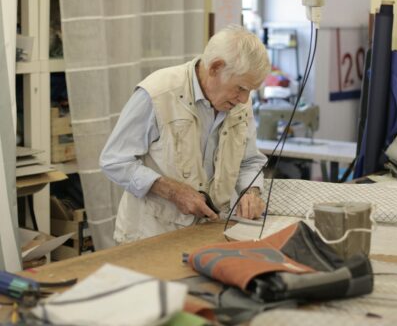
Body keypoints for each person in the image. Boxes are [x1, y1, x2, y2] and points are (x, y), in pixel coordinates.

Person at [100, 25, 271, 243]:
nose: (245, 99)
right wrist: (172, 191)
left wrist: (251, 192)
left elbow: (249, 161)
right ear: (215, 68)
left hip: (209, 233)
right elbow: (114, 160)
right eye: (240, 88)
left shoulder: (237, 104)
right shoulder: (158, 93)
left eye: (250, 91)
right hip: (150, 237)